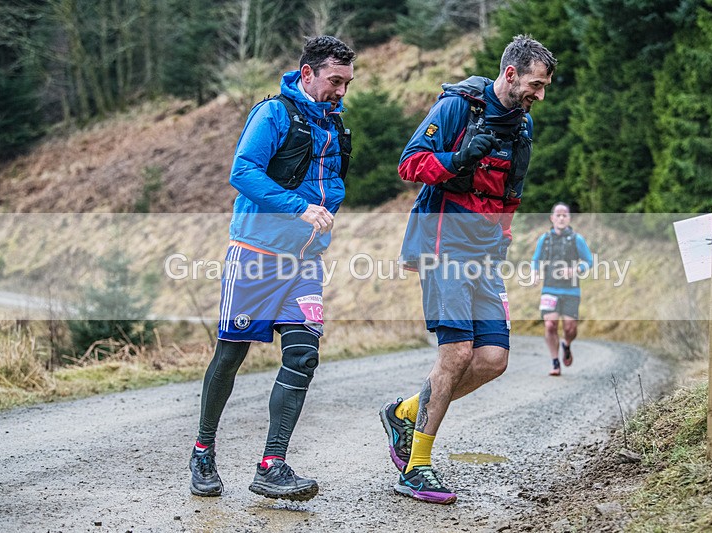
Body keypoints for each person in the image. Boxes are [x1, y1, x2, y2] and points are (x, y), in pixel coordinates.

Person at [379, 35, 556, 504]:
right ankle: (416, 468)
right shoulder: (459, 108)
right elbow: (409, 164)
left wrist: (503, 238)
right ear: (511, 74)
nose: (539, 95)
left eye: (544, 88)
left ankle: (405, 412)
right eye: (535, 85)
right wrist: (457, 159)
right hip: (445, 243)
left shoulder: (524, 126)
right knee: (455, 354)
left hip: (485, 252)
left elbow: (511, 193)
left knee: (493, 360)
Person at [188, 35, 355, 501]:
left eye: (347, 83)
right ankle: (203, 450)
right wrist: (300, 209)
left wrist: (323, 221)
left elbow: (333, 182)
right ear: (308, 73)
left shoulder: (335, 124)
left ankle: (272, 465)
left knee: (303, 354)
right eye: (334, 81)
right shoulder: (273, 113)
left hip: (305, 261)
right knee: (231, 354)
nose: (341, 91)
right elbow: (242, 172)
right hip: (256, 256)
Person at [530, 202, 593, 376]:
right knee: (550, 325)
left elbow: (589, 261)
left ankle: (566, 343)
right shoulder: (545, 239)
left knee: (570, 328)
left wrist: (575, 270)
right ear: (552, 218)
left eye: (564, 215)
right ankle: (555, 362)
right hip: (549, 288)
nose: (561, 217)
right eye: (558, 215)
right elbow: (535, 259)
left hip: (571, 290)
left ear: (569, 218)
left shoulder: (576, 239)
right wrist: (534, 274)